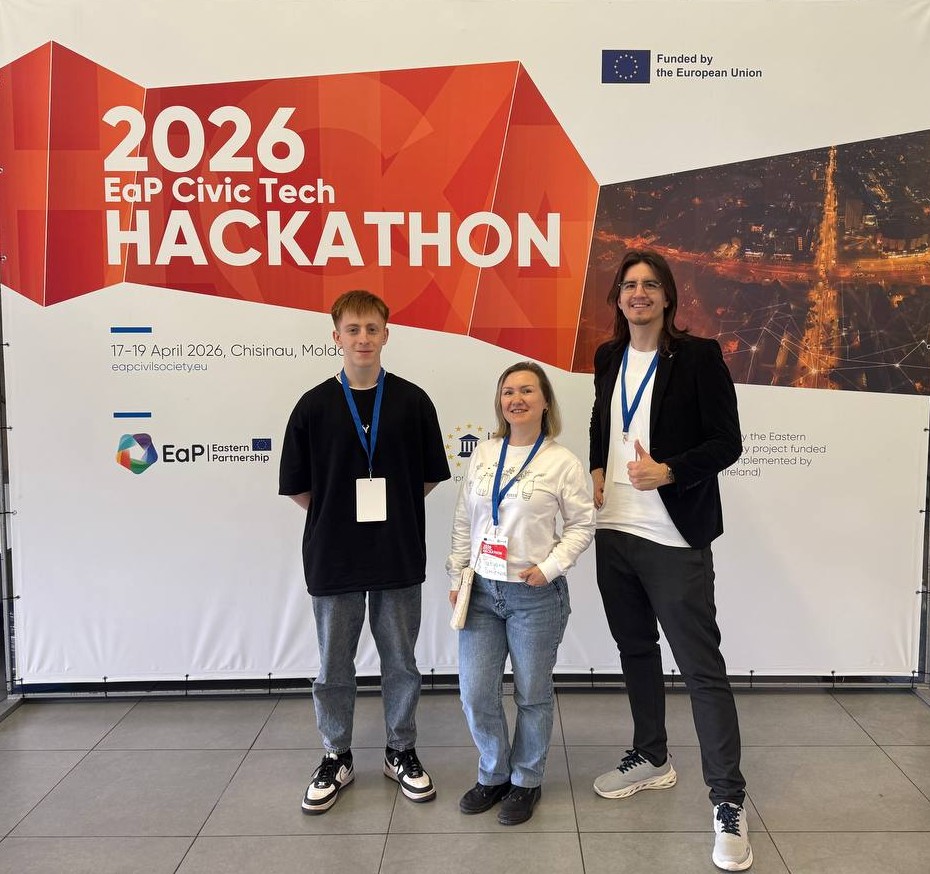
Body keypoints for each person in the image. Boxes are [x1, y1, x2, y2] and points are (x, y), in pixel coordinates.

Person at [589, 250, 752, 871]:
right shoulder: (607, 357)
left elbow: (727, 442)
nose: (639, 294)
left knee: (701, 669)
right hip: (614, 530)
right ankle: (652, 757)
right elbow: (602, 420)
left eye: (650, 285)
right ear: (618, 297)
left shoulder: (699, 356)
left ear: (667, 297)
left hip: (673, 536)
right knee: (635, 651)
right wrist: (599, 466)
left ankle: (728, 802)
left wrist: (671, 470)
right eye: (629, 285)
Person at [279, 289, 451, 815]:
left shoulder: (413, 401)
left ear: (386, 335)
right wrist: (339, 516)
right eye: (352, 329)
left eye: (372, 329)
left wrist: (391, 510)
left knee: (401, 661)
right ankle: (336, 754)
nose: (362, 338)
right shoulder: (312, 405)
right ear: (336, 337)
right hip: (334, 555)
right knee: (334, 664)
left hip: (397, 550)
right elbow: (298, 487)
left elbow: (427, 477)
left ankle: (401, 750)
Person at [447, 361, 595, 825]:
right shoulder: (484, 452)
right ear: (500, 402)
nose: (517, 399)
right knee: (476, 693)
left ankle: (526, 780)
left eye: (527, 390)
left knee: (532, 694)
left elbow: (582, 525)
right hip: (481, 592)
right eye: (508, 391)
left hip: (534, 597)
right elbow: (464, 519)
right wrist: (458, 577)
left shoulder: (561, 462)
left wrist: (549, 568)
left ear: (545, 401)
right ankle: (494, 773)